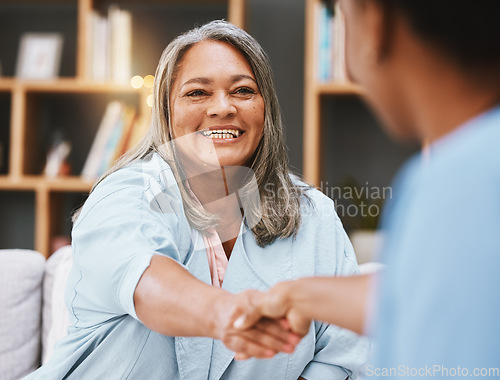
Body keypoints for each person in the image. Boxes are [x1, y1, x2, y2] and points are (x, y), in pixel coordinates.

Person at [25, 20, 369, 379]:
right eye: (197, 93)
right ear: (166, 110)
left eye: (243, 90)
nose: (222, 107)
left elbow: (344, 354)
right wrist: (227, 315)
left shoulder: (313, 213)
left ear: (265, 109)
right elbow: (144, 279)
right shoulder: (125, 194)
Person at [234, 0, 500, 374]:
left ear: (374, 21)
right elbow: (435, 297)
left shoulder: (457, 184)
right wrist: (297, 296)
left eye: (342, 19)